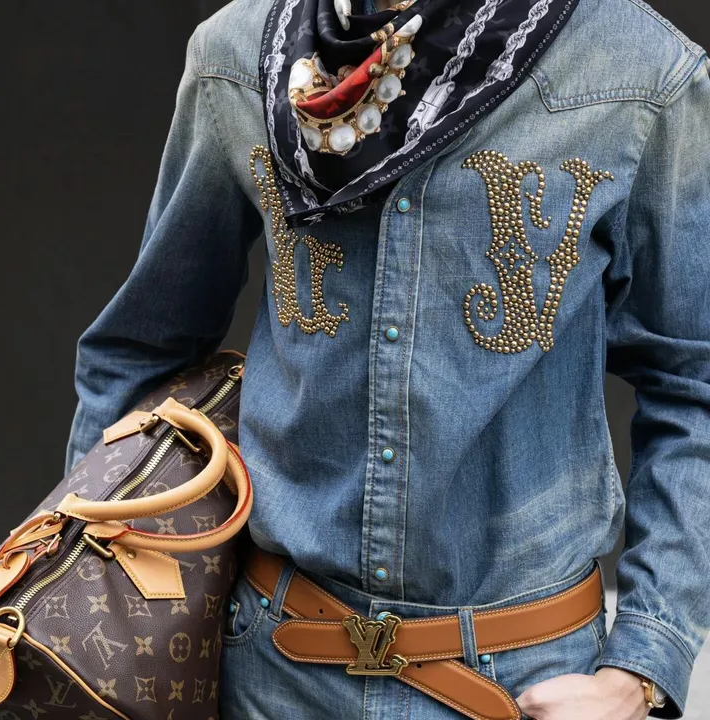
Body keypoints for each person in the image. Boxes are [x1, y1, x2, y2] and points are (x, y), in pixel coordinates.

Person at [65, 0, 710, 716]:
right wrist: (88, 599)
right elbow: (143, 348)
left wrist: (640, 670)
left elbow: (695, 383)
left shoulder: (634, 66)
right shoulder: (239, 54)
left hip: (527, 681)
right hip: (273, 674)